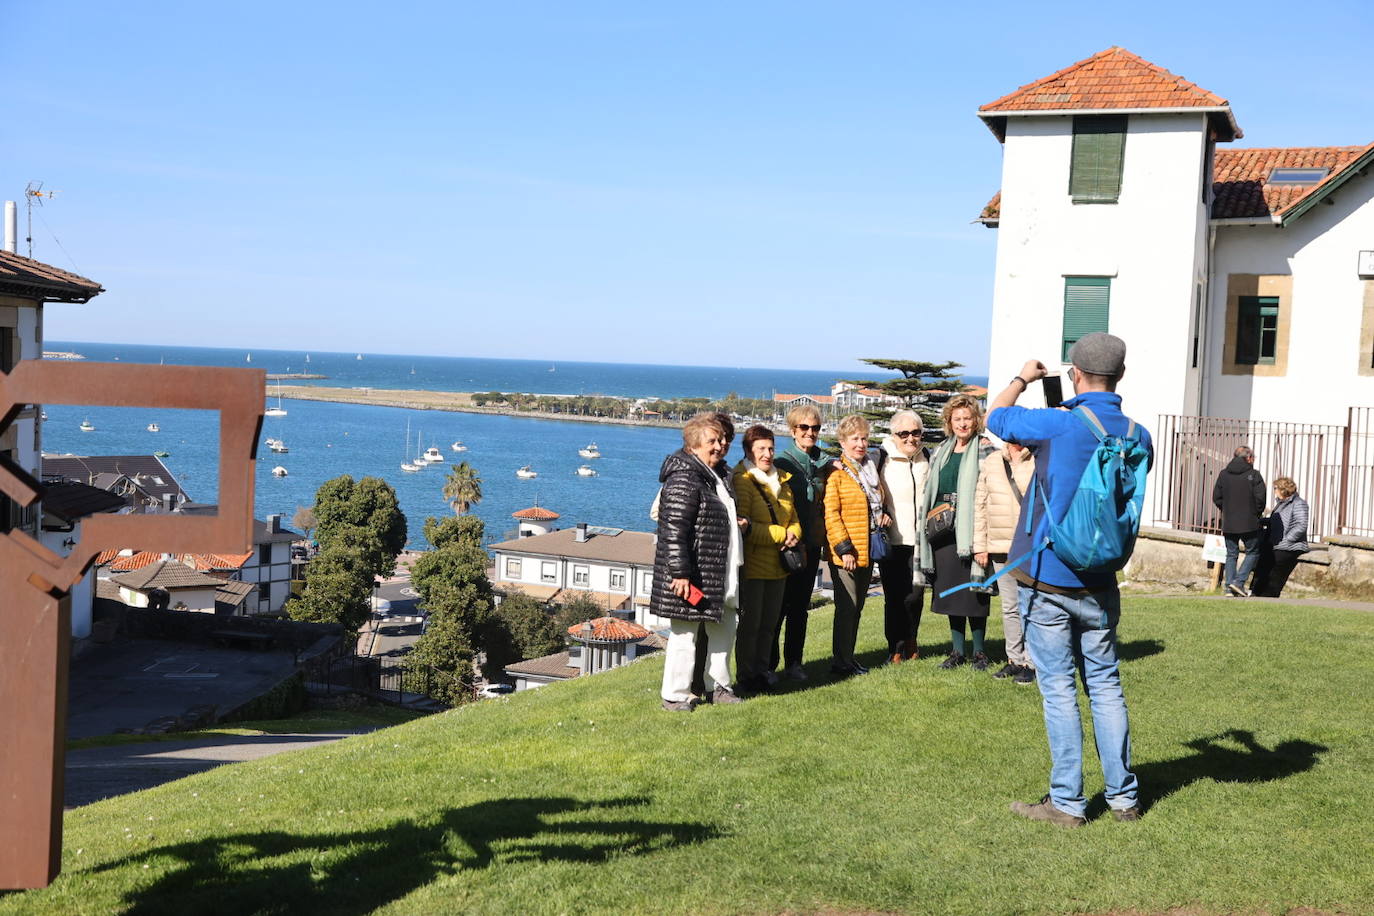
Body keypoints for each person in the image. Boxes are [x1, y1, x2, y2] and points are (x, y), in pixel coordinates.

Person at [987, 332, 1153, 827]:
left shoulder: (1058, 425)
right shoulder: (1138, 435)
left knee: (1059, 690)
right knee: (1106, 686)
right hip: (1100, 580)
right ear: (1121, 375)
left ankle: (1066, 803)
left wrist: (1023, 377)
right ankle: (1123, 799)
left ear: (1075, 374)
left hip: (1048, 577)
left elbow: (996, 417)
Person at [651, 413, 746, 711]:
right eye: (712, 441)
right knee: (684, 634)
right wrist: (680, 573)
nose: (720, 446)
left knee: (724, 628)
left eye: (722, 440)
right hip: (693, 573)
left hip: (719, 570)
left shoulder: (717, 475)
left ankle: (718, 686)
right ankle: (675, 694)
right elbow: (673, 530)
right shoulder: (683, 478)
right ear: (693, 446)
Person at [919, 394, 992, 670]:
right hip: (943, 531)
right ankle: (957, 651)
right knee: (951, 592)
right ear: (949, 422)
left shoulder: (985, 449)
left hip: (971, 530)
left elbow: (991, 492)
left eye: (967, 418)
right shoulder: (941, 450)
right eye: (957, 418)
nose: (962, 423)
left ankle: (980, 652)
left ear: (976, 420)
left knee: (975, 593)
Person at [731, 425, 802, 693]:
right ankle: (746, 675)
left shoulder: (782, 479)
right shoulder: (743, 479)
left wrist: (794, 534)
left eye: (771, 448)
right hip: (754, 564)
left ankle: (763, 671)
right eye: (761, 448)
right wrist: (782, 534)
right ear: (748, 451)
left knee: (769, 625)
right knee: (751, 625)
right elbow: (745, 526)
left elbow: (794, 517)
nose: (767, 454)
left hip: (779, 565)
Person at [824, 413, 890, 677]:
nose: (861, 444)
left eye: (864, 438)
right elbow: (831, 513)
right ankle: (841, 663)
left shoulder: (869, 469)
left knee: (857, 608)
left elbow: (875, 504)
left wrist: (883, 515)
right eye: (854, 439)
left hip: (867, 548)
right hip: (848, 552)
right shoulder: (836, 473)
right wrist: (844, 549)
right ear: (842, 442)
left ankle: (848, 659)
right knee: (847, 609)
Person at [772, 405, 831, 681]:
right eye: (804, 427)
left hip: (812, 545)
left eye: (815, 428)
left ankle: (794, 663)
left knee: (800, 608)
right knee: (778, 608)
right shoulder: (781, 463)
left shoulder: (825, 463)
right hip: (786, 545)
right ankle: (769, 665)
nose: (810, 432)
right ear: (793, 430)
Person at [972, 441, 1037, 684]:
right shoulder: (992, 460)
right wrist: (980, 545)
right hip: (999, 546)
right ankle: (1014, 659)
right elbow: (980, 504)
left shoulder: (1038, 458)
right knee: (1010, 607)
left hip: (1029, 545)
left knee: (1031, 605)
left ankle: (1032, 662)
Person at [877, 410, 929, 663]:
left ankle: (911, 640)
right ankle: (895, 646)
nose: (910, 438)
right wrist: (881, 512)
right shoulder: (881, 458)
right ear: (894, 434)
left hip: (920, 541)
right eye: (904, 433)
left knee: (916, 596)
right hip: (893, 540)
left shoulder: (926, 457)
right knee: (894, 597)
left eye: (915, 432)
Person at [1212, 445, 1267, 597]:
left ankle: (1229, 587)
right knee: (1253, 552)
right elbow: (1260, 499)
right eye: (1253, 457)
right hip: (1249, 522)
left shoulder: (1224, 474)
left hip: (1229, 522)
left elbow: (1217, 497)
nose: (1254, 459)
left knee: (1231, 554)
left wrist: (1227, 510)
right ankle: (1238, 582)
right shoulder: (1254, 475)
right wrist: (1255, 513)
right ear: (1248, 458)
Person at [1252, 477, 1310, 598]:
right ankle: (1255, 593)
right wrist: (1261, 521)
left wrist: (1287, 539)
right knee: (1261, 564)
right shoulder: (1280, 504)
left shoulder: (1299, 503)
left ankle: (1269, 596)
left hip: (1291, 546)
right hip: (1276, 544)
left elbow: (1301, 525)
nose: (1274, 491)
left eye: (1275, 488)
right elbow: (1276, 521)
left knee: (1275, 570)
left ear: (1283, 489)